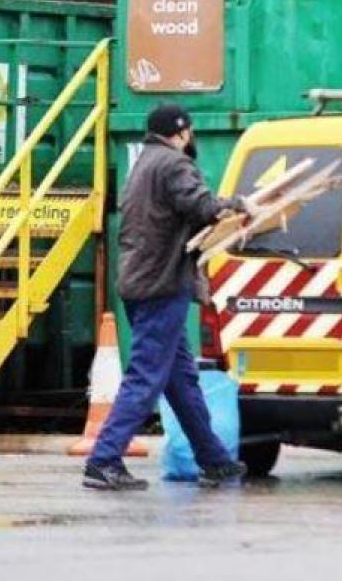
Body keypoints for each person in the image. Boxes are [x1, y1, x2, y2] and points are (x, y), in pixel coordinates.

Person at [83, 103, 249, 491]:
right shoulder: (174, 165)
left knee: (182, 381)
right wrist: (238, 205)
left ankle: (214, 460)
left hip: (141, 283)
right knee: (145, 378)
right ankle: (103, 459)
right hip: (162, 286)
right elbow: (203, 207)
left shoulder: (143, 163)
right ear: (184, 132)